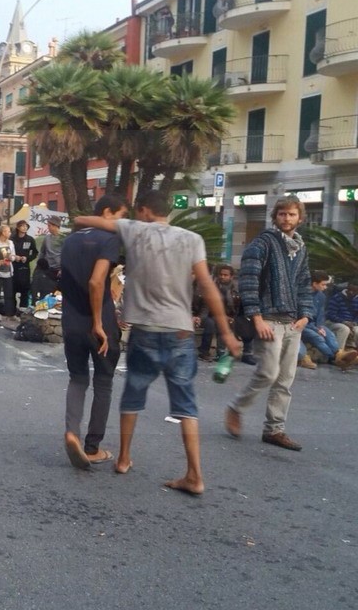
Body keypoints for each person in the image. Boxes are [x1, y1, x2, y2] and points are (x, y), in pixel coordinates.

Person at [77, 190, 241, 496]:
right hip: (180, 332)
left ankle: (123, 459)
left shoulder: (134, 229)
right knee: (186, 405)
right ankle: (194, 475)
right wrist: (227, 333)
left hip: (145, 331)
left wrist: (85, 220)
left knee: (132, 396)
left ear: (143, 210)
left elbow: (87, 220)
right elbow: (207, 285)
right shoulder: (192, 239)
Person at [225, 196, 314, 451]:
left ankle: (274, 430)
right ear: (275, 216)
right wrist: (257, 317)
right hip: (268, 320)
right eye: (282, 214)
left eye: (292, 214)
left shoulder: (300, 247)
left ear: (300, 218)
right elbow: (248, 281)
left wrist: (306, 315)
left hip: (292, 322)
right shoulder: (262, 243)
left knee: (285, 379)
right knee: (268, 373)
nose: (287, 218)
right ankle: (236, 407)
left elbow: (304, 283)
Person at [59, 195, 128, 469]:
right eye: (121, 216)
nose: (122, 222)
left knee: (77, 378)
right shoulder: (108, 239)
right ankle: (92, 447)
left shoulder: (70, 240)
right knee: (103, 381)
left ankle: (71, 433)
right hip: (99, 322)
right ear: (108, 212)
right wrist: (98, 322)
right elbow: (96, 281)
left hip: (70, 320)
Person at [298, 271, 358, 369]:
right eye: (323, 284)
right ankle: (336, 358)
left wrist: (319, 326)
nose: (325, 287)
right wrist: (316, 329)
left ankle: (339, 354)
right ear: (314, 283)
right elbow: (301, 316)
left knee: (329, 334)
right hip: (303, 324)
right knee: (317, 337)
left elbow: (321, 314)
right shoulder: (302, 294)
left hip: (315, 324)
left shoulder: (321, 296)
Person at [33, 217, 63, 302]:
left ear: (55, 226)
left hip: (59, 269)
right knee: (46, 290)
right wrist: (39, 264)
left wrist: (62, 268)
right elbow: (42, 252)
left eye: (49, 226)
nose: (48, 228)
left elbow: (67, 255)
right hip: (48, 269)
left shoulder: (63, 239)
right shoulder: (47, 238)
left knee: (57, 293)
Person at [11, 220, 38, 312]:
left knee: (25, 288)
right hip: (13, 266)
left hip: (25, 267)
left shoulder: (30, 239)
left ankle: (23, 310)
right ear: (18, 227)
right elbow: (8, 251)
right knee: (12, 288)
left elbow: (35, 253)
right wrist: (14, 257)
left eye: (26, 226)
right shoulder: (12, 239)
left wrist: (27, 258)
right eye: (22, 226)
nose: (25, 227)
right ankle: (12, 310)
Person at [324, 281, 358, 354]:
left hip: (352, 323)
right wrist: (343, 321)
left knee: (357, 330)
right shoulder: (336, 298)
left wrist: (355, 323)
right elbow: (330, 314)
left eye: (355, 291)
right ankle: (338, 353)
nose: (351, 292)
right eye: (350, 290)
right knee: (344, 329)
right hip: (334, 322)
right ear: (347, 288)